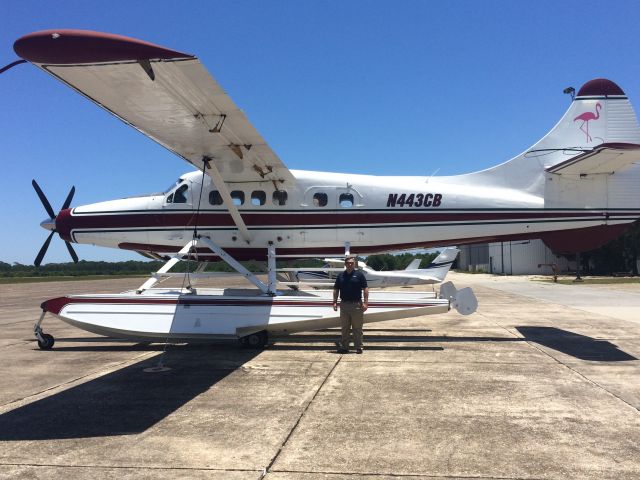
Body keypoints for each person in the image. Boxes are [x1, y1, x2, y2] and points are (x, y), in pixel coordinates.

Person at [332, 256, 369, 354]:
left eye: (351, 263)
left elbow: (365, 288)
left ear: (354, 264)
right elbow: (336, 289)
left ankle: (359, 347)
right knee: (345, 328)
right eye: (348, 263)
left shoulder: (359, 275)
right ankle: (345, 347)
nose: (350, 264)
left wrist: (365, 302)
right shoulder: (340, 276)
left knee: (357, 328)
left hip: (356, 305)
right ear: (345, 264)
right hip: (344, 305)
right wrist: (334, 302)